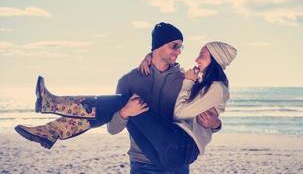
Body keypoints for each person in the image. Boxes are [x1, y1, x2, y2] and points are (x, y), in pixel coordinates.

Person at [14, 23, 234, 173]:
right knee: (122, 101)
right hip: (142, 163)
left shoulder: (187, 79)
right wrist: (124, 113)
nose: (179, 51)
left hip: (173, 161)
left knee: (121, 99)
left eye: (181, 46)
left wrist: (216, 124)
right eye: (174, 46)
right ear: (157, 46)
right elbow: (112, 128)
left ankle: (52, 118)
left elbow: (200, 115)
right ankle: (52, 129)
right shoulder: (129, 80)